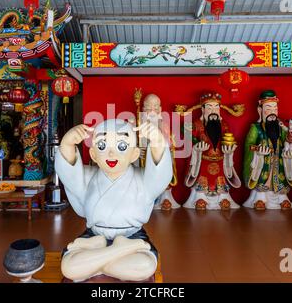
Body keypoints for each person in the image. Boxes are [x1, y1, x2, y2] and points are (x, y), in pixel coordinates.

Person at [55, 118, 172, 282]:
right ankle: (119, 250)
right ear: (93, 154)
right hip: (94, 235)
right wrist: (67, 144)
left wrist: (158, 141)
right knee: (68, 267)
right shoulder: (87, 177)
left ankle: (95, 263)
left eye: (122, 146)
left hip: (133, 236)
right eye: (102, 146)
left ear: (134, 154)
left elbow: (160, 175)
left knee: (145, 266)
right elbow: (69, 174)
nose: (111, 154)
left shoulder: (143, 179)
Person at [183, 93, 241, 210]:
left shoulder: (224, 125)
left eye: (216, 108)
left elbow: (227, 140)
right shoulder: (196, 125)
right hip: (202, 163)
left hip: (220, 163)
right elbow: (189, 143)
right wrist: (196, 149)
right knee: (201, 193)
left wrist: (229, 151)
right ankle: (200, 197)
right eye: (209, 108)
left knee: (222, 189)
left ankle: (222, 197)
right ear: (203, 110)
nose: (213, 111)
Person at [242, 90, 292, 210]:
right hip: (262, 161)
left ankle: (282, 198)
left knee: (281, 179)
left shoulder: (281, 127)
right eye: (268, 108)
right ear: (260, 110)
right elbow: (249, 145)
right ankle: (260, 197)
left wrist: (291, 147)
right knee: (263, 179)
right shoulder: (255, 128)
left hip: (279, 161)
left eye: (275, 109)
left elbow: (288, 141)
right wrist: (258, 151)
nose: (272, 112)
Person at [139, 93, 179, 210]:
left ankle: (162, 199)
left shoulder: (163, 125)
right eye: (148, 107)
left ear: (160, 109)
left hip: (158, 159)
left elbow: (168, 143)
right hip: (143, 161)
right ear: (143, 109)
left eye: (155, 107)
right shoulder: (138, 124)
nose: (152, 110)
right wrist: (136, 151)